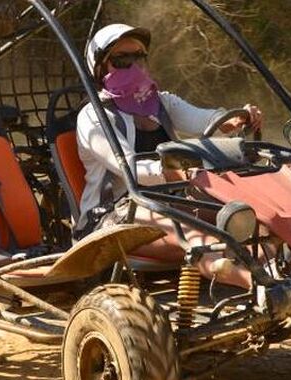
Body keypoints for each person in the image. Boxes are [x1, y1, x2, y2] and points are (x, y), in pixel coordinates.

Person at [76, 24, 263, 289]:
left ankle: (282, 267)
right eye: (121, 59)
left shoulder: (160, 102)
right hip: (111, 217)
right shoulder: (94, 117)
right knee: (192, 231)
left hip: (169, 202)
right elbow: (131, 170)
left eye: (139, 57)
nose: (133, 65)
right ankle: (258, 286)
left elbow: (205, 119)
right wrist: (174, 172)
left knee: (247, 214)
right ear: (100, 68)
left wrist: (233, 118)